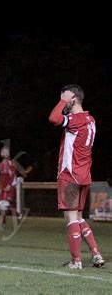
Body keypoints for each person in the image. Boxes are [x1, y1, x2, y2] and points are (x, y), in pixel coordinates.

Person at [48, 84, 105, 269]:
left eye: (64, 97)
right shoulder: (90, 119)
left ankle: (76, 261)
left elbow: (54, 118)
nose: (62, 100)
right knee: (79, 217)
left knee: (71, 218)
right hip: (84, 174)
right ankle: (96, 254)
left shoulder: (75, 119)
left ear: (72, 99)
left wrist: (64, 99)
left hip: (70, 174)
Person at [0, 146, 18, 229]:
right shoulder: (1, 164)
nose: (5, 153)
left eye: (7, 152)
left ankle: (0, 224)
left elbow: (13, 175)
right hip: (3, 187)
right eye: (4, 152)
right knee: (5, 205)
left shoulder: (11, 163)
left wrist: (9, 185)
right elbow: (1, 178)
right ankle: (17, 215)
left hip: (9, 187)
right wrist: (0, 187)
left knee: (4, 205)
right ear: (1, 153)